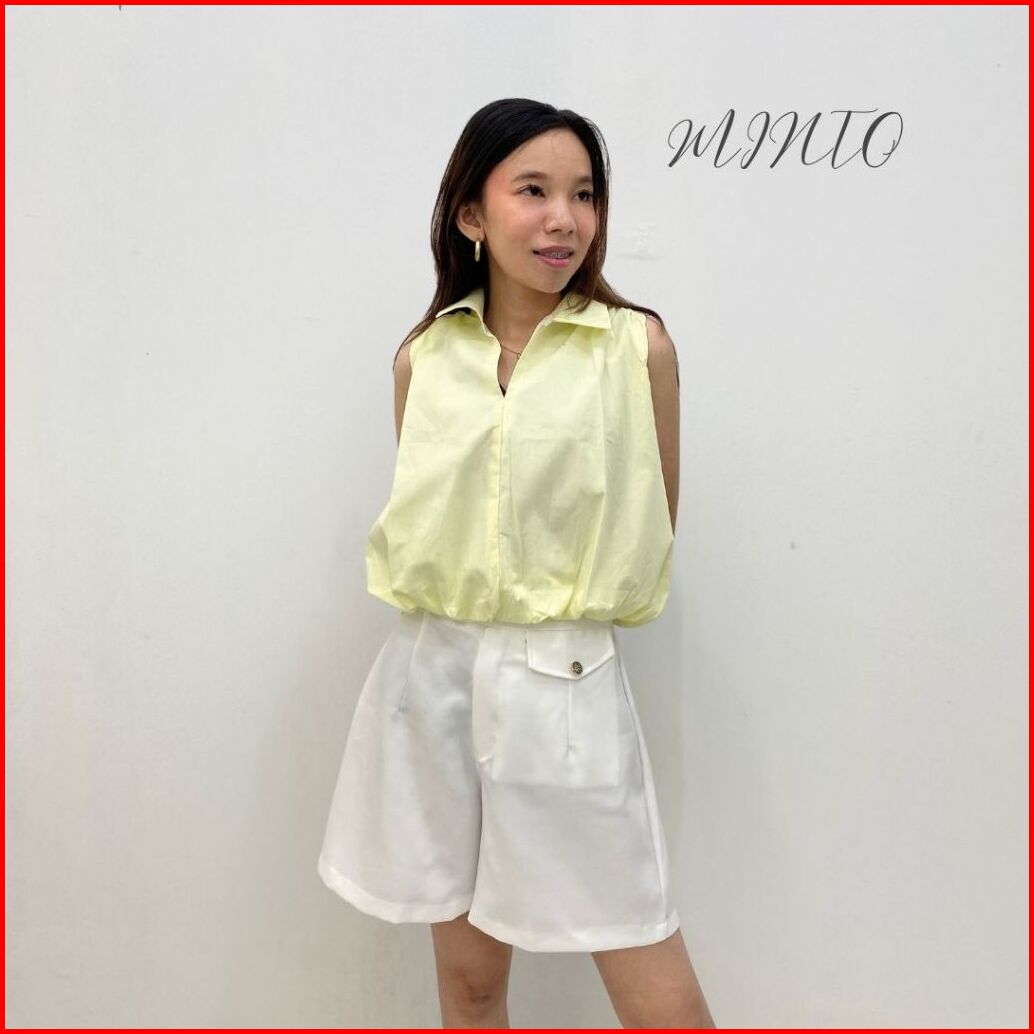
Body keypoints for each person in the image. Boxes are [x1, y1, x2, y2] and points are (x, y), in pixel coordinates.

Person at [317, 98, 716, 1029]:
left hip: (566, 677)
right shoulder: (424, 359)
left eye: (583, 194)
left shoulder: (636, 349)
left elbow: (653, 523)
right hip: (431, 677)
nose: (564, 219)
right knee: (469, 983)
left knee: (646, 967)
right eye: (532, 190)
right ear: (471, 212)